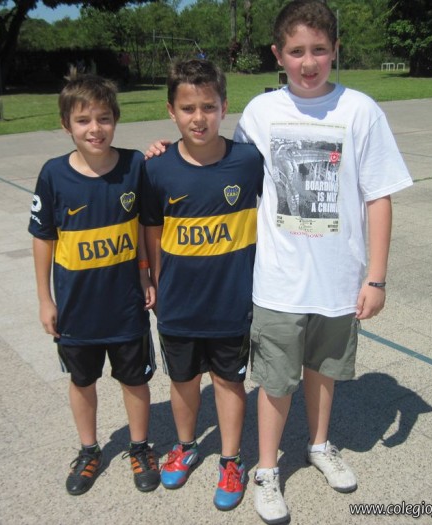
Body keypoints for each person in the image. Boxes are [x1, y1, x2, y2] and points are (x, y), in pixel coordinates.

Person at [233, 2, 413, 523]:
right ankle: (267, 469)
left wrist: (376, 278)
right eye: (296, 51)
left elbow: (379, 196)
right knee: (275, 379)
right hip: (279, 280)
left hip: (337, 279)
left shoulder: (360, 110)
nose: (308, 62)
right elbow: (226, 168)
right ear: (278, 54)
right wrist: (167, 152)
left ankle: (318, 444)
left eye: (318, 49)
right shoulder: (261, 113)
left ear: (335, 50)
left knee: (324, 370)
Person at [28, 73, 160, 497]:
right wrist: (45, 298)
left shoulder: (135, 165)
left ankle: (139, 446)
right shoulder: (53, 174)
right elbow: (43, 238)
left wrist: (146, 274)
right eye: (83, 120)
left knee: (134, 380)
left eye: (104, 118)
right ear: (66, 124)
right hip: (76, 307)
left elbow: (145, 227)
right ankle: (89, 450)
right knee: (82, 381)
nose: (95, 128)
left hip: (126, 303)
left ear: (116, 120)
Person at [140, 58, 264, 511]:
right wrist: (153, 280)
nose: (199, 118)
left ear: (224, 107)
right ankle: (186, 445)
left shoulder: (248, 161)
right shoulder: (156, 168)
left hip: (231, 302)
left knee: (229, 381)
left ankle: (231, 460)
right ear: (171, 111)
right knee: (183, 380)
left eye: (209, 107)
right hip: (178, 303)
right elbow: (152, 230)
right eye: (188, 108)